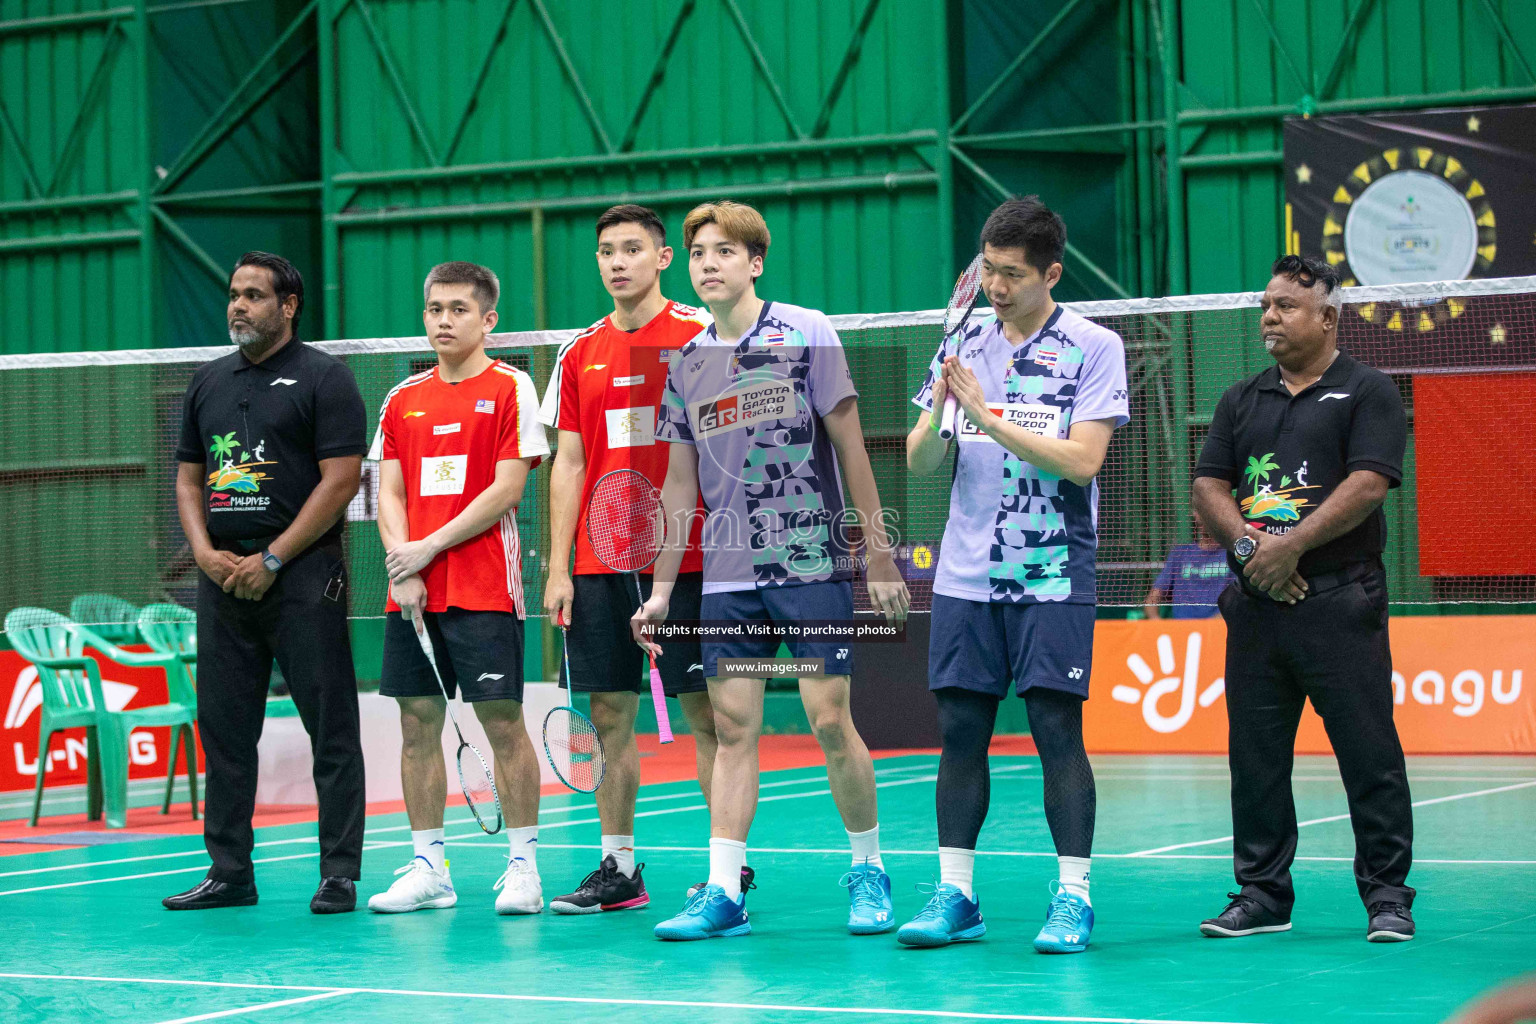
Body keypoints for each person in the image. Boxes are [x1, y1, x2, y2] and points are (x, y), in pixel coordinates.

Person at [632, 200, 911, 940]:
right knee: (731, 727)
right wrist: (662, 590)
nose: (708, 264)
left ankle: (868, 869)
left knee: (827, 719)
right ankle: (724, 890)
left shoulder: (807, 333)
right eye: (698, 254)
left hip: (809, 561)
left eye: (724, 252)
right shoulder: (686, 365)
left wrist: (876, 553)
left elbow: (852, 449)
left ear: (755, 263)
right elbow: (680, 486)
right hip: (726, 576)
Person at [902, 197, 1128, 953]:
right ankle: (955, 893)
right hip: (966, 572)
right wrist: (940, 407)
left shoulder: (1095, 346)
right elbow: (921, 461)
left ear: (1050, 273)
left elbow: (1085, 459)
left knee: (1054, 727)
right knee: (961, 729)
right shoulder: (961, 344)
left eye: (1011, 274)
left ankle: (1073, 897)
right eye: (987, 270)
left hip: (1053, 569)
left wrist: (989, 415)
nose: (995, 286)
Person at [1192, 253, 1415, 943]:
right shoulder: (1241, 398)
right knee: (1255, 758)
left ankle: (1387, 898)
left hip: (1340, 601)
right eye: (1266, 305)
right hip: (1258, 607)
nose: (1269, 317)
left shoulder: (1369, 391)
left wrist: (1292, 547)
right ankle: (1262, 895)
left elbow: (1370, 482)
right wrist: (1255, 552)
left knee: (1369, 754)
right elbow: (1208, 486)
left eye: (1286, 306)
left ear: (1327, 316)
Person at [539, 205, 732, 914]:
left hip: (688, 561)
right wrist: (559, 568)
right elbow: (569, 463)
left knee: (705, 713)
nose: (617, 262)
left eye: (632, 249)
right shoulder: (576, 352)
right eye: (606, 252)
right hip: (599, 561)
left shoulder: (697, 336)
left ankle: (725, 871)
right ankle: (618, 869)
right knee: (607, 715)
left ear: (662, 259)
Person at [165, 251, 367, 913]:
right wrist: (203, 553)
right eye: (234, 293)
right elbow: (189, 478)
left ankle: (338, 872)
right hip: (224, 579)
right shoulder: (208, 382)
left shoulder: (325, 379)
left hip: (304, 577)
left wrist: (275, 558)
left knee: (331, 730)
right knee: (224, 733)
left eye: (254, 295)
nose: (238, 306)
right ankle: (229, 873)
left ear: (288, 305)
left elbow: (340, 481)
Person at [365, 261, 551, 915]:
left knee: (503, 724)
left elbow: (507, 487)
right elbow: (387, 490)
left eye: (458, 310)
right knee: (417, 726)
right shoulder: (402, 399)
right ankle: (428, 866)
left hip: (483, 587)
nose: (443, 320)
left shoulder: (511, 388)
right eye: (434, 309)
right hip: (411, 590)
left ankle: (524, 866)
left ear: (488, 320)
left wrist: (429, 546)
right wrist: (403, 561)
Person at [1143, 520, 1233, 619]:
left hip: (1218, 628)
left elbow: (1237, 599)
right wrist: (1157, 623)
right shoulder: (1180, 554)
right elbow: (1154, 596)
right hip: (1182, 629)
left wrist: (1211, 626)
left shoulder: (1231, 555)